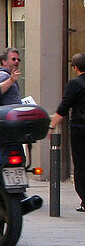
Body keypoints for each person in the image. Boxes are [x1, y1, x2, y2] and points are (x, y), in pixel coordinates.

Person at [48, 53, 85, 212]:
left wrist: (51, 127)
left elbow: (63, 108)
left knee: (81, 165)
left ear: (75, 67)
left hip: (80, 129)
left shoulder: (75, 84)